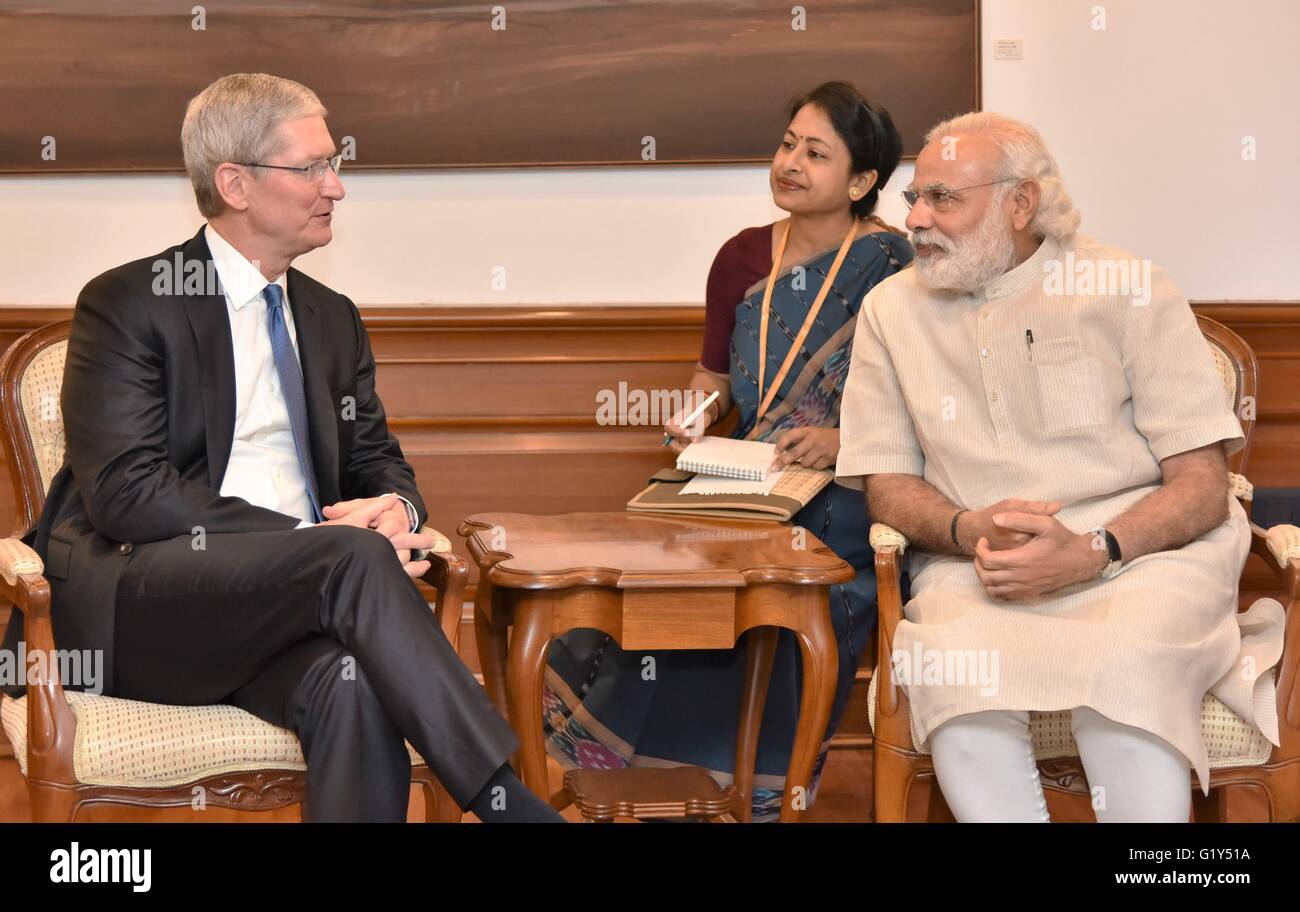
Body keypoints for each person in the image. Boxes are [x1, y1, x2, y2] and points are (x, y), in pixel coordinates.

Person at [0, 73, 562, 823]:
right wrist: (315, 542)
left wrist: (395, 508)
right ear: (234, 182)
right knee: (350, 557)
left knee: (352, 686)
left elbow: (377, 459)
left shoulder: (330, 319)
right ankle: (510, 804)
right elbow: (127, 495)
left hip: (297, 613)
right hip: (151, 608)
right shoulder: (130, 303)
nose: (336, 186)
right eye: (312, 167)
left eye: (336, 164)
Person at [836, 110, 1284, 822]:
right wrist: (963, 526)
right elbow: (887, 483)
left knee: (1126, 671)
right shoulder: (890, 311)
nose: (916, 218)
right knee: (953, 678)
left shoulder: (1131, 289)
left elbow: (1200, 486)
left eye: (943, 198)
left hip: (1146, 557)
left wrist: (1094, 552)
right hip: (979, 560)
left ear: (1022, 202)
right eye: (914, 197)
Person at [544, 81, 913, 820]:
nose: (792, 164)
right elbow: (714, 377)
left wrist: (845, 439)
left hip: (846, 487)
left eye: (816, 153)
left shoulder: (892, 265)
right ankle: (633, 775)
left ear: (863, 180)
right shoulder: (741, 256)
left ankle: (752, 782)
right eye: (787, 145)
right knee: (662, 569)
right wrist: (694, 418)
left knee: (781, 587)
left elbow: (921, 401)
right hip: (748, 474)